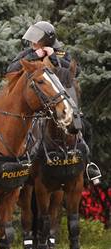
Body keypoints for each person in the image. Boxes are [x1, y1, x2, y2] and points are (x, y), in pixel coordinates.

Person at [7, 21, 101, 183]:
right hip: (36, 107)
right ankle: (21, 169)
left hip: (59, 105)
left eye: (36, 40)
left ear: (46, 41)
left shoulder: (60, 53)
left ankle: (89, 165)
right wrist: (34, 55)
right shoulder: (28, 53)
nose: (32, 43)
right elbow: (11, 69)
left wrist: (53, 57)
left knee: (85, 127)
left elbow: (75, 71)